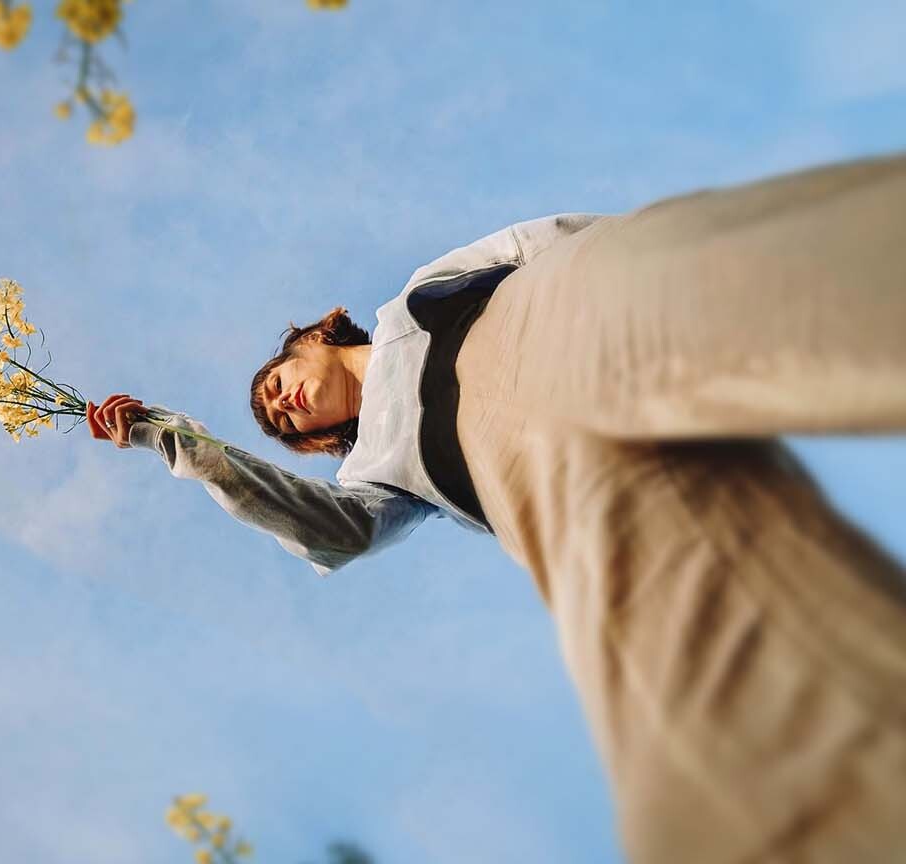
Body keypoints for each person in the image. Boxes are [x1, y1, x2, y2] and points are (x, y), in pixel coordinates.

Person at [85, 152, 906, 863]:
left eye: (275, 382)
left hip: (560, 318)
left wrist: (624, 249)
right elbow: (330, 535)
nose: (281, 403)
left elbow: (537, 242)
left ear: (312, 338)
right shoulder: (375, 469)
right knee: (727, 712)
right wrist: (174, 439)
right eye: (278, 419)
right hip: (550, 482)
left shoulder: (414, 302)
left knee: (781, 275)